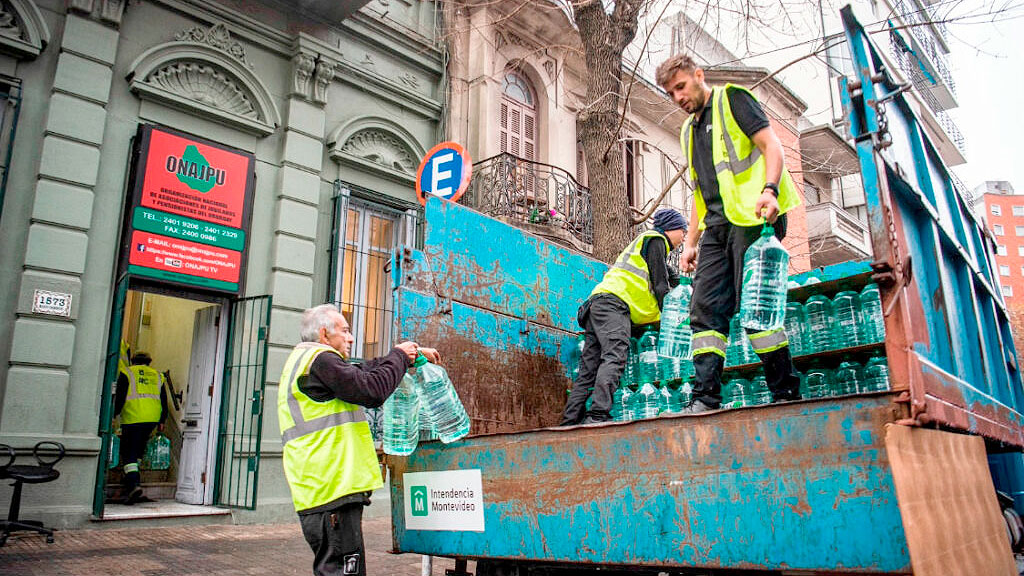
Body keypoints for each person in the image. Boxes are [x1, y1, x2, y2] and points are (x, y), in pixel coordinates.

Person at [656, 54, 802, 413]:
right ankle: (705, 398)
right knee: (704, 311)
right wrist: (689, 243)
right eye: (670, 93)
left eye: (681, 87)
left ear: (699, 76)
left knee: (756, 309)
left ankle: (785, 392)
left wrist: (769, 190)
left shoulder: (733, 99)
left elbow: (772, 146)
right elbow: (699, 194)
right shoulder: (688, 131)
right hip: (717, 229)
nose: (678, 98)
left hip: (755, 219)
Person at [279, 303, 440, 576]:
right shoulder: (320, 359)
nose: (351, 337)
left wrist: (406, 357)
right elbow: (371, 390)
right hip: (331, 489)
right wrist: (398, 356)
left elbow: (363, 371)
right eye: (344, 330)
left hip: (324, 490)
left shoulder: (309, 361)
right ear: (324, 335)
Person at [560, 209, 687, 425]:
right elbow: (660, 285)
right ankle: (598, 414)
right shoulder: (655, 239)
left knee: (588, 368)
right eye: (683, 230)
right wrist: (671, 317)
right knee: (615, 357)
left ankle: (569, 420)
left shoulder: (646, 246)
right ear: (671, 228)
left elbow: (671, 276)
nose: (684, 236)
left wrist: (688, 286)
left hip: (598, 305)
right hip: (613, 305)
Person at [114, 351, 169, 505]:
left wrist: (113, 414)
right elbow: (163, 399)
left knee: (127, 451)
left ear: (133, 361)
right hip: (152, 418)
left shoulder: (127, 372)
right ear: (149, 362)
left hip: (133, 417)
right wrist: (162, 420)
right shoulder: (158, 375)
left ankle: (133, 484)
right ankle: (130, 483)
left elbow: (120, 396)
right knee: (138, 450)